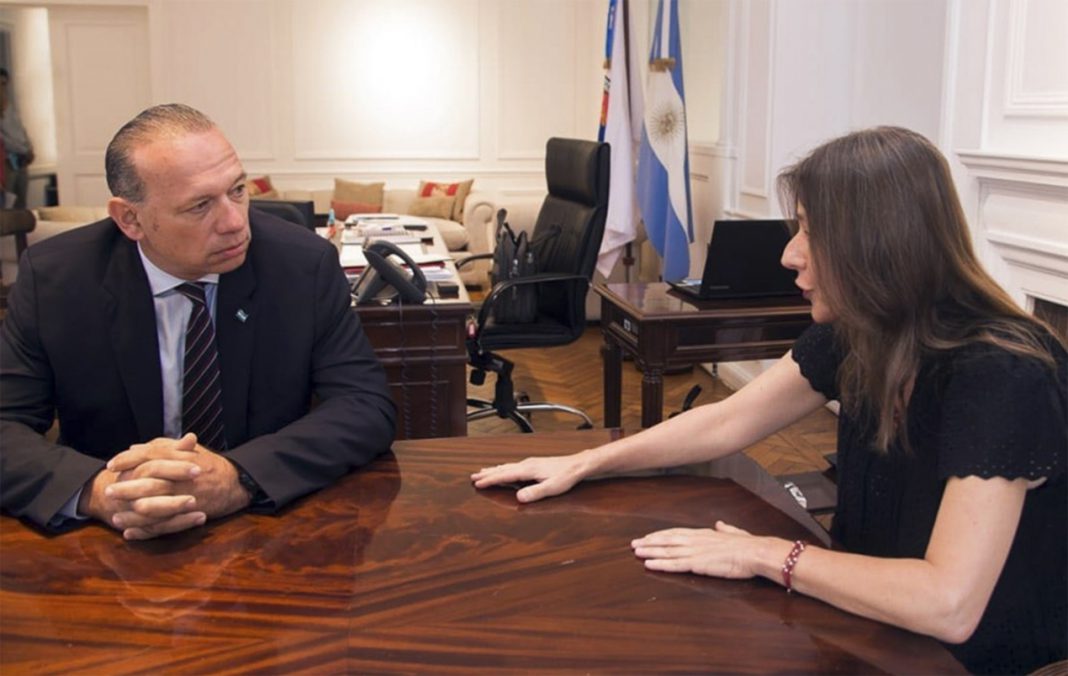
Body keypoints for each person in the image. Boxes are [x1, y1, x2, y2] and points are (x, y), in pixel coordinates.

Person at [472, 127, 1067, 674]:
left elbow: (949, 605)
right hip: (869, 618)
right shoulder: (861, 331)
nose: (790, 253)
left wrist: (766, 556)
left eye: (812, 230)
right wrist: (586, 461)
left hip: (971, 656)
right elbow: (728, 420)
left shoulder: (1002, 373)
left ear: (880, 244)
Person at [1, 103, 396, 540]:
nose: (234, 222)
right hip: (106, 541)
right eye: (200, 206)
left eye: (238, 190)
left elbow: (364, 406)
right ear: (130, 218)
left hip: (263, 532)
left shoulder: (302, 264)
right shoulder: (55, 279)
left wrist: (237, 477)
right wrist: (99, 492)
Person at [0, 67, 34, 208]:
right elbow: (4, 139)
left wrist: (28, 148)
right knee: (8, 204)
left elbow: (20, 131)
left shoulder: (10, 108)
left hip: (21, 161)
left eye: (4, 84)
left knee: (21, 203)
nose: (3, 87)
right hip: (7, 163)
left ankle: (21, 230)